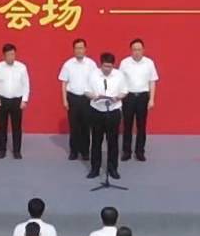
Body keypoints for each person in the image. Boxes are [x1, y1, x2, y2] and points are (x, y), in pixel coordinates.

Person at [85, 51, 126, 180]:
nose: (107, 69)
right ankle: (95, 169)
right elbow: (86, 91)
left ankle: (113, 168)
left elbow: (124, 91)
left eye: (110, 66)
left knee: (113, 142)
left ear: (113, 65)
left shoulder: (119, 75)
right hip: (97, 110)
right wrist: (95, 97)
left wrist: (116, 98)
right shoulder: (93, 74)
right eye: (105, 66)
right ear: (101, 64)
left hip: (113, 111)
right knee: (96, 141)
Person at [58, 37, 100, 161]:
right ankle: (74, 151)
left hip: (87, 99)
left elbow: (96, 81)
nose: (79, 50)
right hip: (73, 98)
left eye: (81, 48)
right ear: (73, 50)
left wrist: (95, 97)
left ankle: (85, 151)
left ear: (85, 49)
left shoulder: (91, 64)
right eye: (76, 48)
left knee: (86, 126)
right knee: (74, 126)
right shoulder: (68, 64)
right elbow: (64, 83)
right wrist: (64, 100)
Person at [118, 37, 158, 161]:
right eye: (134, 49)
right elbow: (119, 81)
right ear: (131, 50)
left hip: (142, 97)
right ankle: (126, 152)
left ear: (143, 50)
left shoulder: (149, 63)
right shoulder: (125, 63)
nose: (137, 52)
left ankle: (140, 152)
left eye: (139, 49)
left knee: (141, 126)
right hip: (128, 97)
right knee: (127, 125)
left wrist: (151, 99)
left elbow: (152, 82)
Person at [0, 42, 29, 158]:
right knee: (2, 127)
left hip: (17, 100)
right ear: (4, 55)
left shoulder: (22, 67)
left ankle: (17, 151)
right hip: (2, 100)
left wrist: (24, 100)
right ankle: (2, 150)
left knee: (17, 127)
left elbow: (26, 84)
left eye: (13, 54)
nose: (11, 57)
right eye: (9, 55)